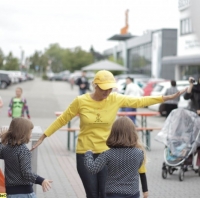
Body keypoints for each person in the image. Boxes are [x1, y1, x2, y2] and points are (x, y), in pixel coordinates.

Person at [32, 70, 186, 198]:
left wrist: (166, 98)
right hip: (86, 153)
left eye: (110, 88)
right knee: (92, 194)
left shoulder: (114, 98)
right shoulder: (80, 101)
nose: (107, 92)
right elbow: (62, 119)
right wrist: (45, 135)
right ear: (95, 85)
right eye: (104, 88)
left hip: (107, 153)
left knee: (105, 193)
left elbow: (139, 101)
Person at [84, 116, 148, 198]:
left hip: (113, 193)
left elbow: (92, 169)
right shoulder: (139, 153)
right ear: (133, 133)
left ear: (114, 133)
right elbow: (139, 168)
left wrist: (88, 154)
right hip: (133, 193)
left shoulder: (108, 154)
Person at [0, 117, 52, 197]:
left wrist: (2, 139)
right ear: (23, 133)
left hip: (10, 193)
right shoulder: (23, 150)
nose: (31, 135)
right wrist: (41, 180)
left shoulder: (6, 148)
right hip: (24, 193)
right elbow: (26, 173)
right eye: (30, 132)